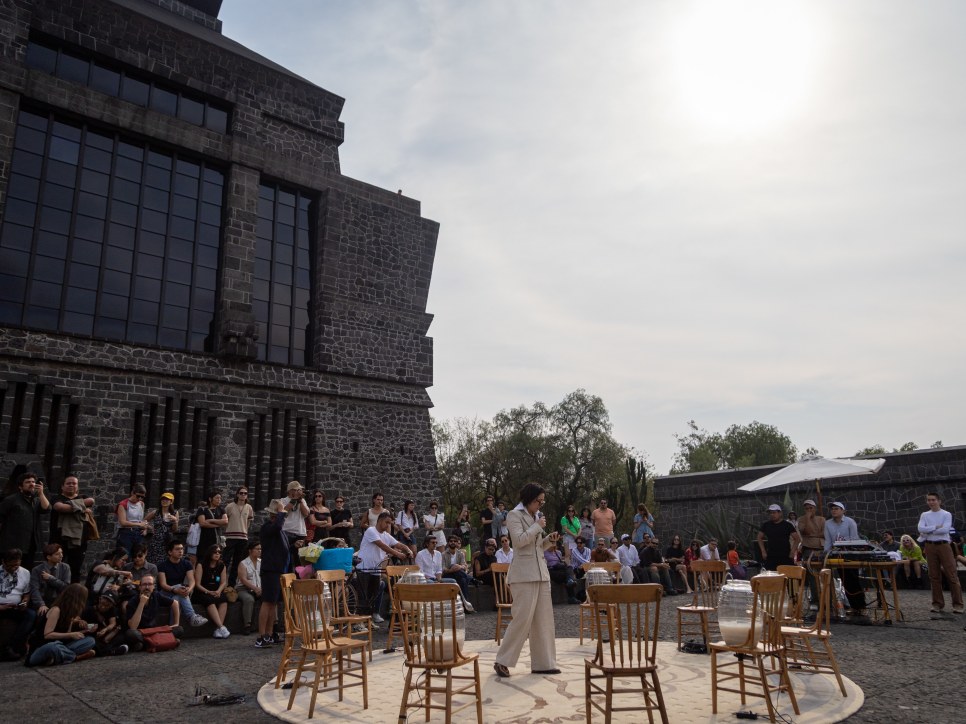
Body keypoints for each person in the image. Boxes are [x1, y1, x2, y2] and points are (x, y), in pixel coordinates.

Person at [493, 482, 560, 678]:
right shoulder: (514, 515)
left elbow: (536, 547)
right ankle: (502, 661)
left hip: (540, 573)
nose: (541, 504)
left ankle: (544, 663)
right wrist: (537, 527)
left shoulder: (535, 517)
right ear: (529, 499)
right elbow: (519, 541)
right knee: (522, 618)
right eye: (538, 501)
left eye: (542, 501)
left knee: (543, 619)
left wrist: (549, 540)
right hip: (523, 575)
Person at [359, 510, 413, 622]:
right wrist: (397, 553)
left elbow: (398, 544)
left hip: (375, 569)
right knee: (363, 597)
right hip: (364, 567)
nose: (388, 525)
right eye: (387, 522)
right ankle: (359, 621)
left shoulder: (386, 535)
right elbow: (382, 546)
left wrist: (408, 550)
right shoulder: (371, 530)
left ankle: (368, 619)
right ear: (379, 520)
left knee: (373, 596)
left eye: (390, 523)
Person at [25, 583, 96, 666]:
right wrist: (71, 635)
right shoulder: (56, 610)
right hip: (43, 647)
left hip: (61, 645)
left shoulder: (70, 613)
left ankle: (58, 658)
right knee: (53, 646)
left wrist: (85, 631)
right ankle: (75, 657)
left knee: (90, 640)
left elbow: (67, 635)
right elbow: (48, 635)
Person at [917, 492, 964, 614]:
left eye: (933, 500)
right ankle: (937, 603)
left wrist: (928, 530)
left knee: (952, 575)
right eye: (929, 500)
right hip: (929, 545)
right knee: (934, 576)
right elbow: (920, 529)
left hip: (944, 545)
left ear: (939, 501)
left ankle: (958, 604)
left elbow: (945, 529)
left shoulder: (946, 514)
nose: (931, 502)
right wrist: (935, 527)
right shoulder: (924, 514)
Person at [255, 500, 288, 648]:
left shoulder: (278, 529)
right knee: (267, 602)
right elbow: (277, 527)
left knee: (273, 603)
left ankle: (269, 634)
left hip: (279, 569)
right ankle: (261, 636)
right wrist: (281, 512)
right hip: (270, 570)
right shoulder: (267, 528)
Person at [48, 475, 94, 582]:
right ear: (62, 487)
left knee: (75, 569)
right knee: (55, 569)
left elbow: (91, 501)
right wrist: (81, 507)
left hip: (79, 541)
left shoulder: (83, 497)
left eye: (74, 483)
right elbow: (59, 507)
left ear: (77, 486)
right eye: (68, 483)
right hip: (58, 541)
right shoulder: (56, 498)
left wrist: (70, 506)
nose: (71, 485)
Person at [0, 472, 51, 566]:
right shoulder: (11, 500)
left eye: (33, 482)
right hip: (12, 544)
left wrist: (41, 494)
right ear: (20, 486)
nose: (32, 484)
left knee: (26, 571)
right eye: (28, 482)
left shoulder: (36, 500)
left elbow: (47, 509)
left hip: (30, 545)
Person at [823, 502, 865, 615]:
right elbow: (828, 541)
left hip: (850, 554)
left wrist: (848, 550)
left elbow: (854, 539)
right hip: (836, 555)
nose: (834, 511)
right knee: (844, 580)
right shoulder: (827, 523)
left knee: (854, 579)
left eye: (836, 509)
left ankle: (861, 606)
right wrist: (825, 554)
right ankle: (853, 606)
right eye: (832, 509)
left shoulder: (850, 522)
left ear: (843, 511)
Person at [123, 575, 182, 651]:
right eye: (144, 584)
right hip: (141, 633)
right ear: (140, 587)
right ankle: (165, 641)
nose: (147, 587)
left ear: (153, 586)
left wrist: (176, 623)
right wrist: (141, 603)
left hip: (154, 631)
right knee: (130, 634)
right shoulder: (132, 602)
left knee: (179, 629)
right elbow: (133, 627)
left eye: (150, 584)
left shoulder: (156, 595)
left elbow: (175, 603)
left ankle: (147, 644)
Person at [156, 540, 207, 628]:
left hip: (179, 594)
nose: (180, 551)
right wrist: (175, 589)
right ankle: (192, 616)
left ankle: (173, 629)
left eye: (182, 549)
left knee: (177, 598)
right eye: (177, 549)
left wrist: (188, 590)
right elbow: (163, 585)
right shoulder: (162, 565)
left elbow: (192, 581)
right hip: (165, 593)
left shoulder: (186, 564)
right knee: (179, 587)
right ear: (170, 552)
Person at [0, 548, 35, 661]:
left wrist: (24, 602)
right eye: (10, 566)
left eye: (16, 565)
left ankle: (11, 646)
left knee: (31, 615)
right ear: (3, 562)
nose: (14, 568)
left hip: (15, 608)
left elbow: (26, 593)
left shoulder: (25, 573)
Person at [193, 544, 230, 638]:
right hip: (202, 591)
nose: (217, 554)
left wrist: (218, 591)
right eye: (215, 552)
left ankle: (218, 630)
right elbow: (197, 584)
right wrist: (207, 592)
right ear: (210, 553)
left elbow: (223, 582)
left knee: (224, 600)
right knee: (210, 601)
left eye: (219, 552)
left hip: (216, 590)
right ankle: (221, 627)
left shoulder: (221, 565)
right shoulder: (201, 564)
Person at [798, 498, 826, 606]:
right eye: (807, 508)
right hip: (808, 549)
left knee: (825, 574)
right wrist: (808, 518)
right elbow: (807, 531)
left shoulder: (822, 519)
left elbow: (824, 534)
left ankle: (828, 599)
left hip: (821, 549)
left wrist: (813, 535)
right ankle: (816, 600)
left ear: (815, 509)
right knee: (812, 576)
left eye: (811, 508)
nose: (809, 510)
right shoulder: (801, 519)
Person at [83, 590, 128, 656]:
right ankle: (112, 651)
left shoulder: (112, 610)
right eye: (102, 603)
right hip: (91, 634)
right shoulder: (90, 609)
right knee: (92, 641)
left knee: (121, 636)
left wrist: (106, 629)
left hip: (105, 634)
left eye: (107, 605)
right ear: (100, 599)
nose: (103, 607)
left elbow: (112, 623)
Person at [29, 543, 71, 614]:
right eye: (57, 554)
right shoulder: (37, 570)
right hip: (43, 599)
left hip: (58, 601)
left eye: (61, 553)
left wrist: (51, 578)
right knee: (41, 613)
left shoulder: (65, 567)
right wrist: (41, 604)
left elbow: (66, 587)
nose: (61, 556)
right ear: (48, 557)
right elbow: (34, 589)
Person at [224, 487, 253, 585]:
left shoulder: (249, 508)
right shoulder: (229, 507)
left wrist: (244, 531)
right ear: (237, 494)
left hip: (243, 538)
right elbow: (224, 521)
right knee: (225, 561)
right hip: (230, 537)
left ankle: (231, 585)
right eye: (241, 493)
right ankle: (221, 583)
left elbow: (248, 522)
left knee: (237, 562)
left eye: (245, 493)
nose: (243, 495)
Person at [758, 504, 801, 570]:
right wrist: (763, 551)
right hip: (771, 556)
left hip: (785, 556)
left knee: (787, 576)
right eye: (770, 513)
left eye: (774, 513)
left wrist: (792, 552)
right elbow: (759, 537)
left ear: (780, 513)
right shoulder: (766, 525)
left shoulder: (787, 525)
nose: (772, 515)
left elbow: (797, 539)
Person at [441, 533, 475, 612]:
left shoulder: (461, 553)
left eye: (455, 541)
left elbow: (464, 566)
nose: (453, 542)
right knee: (456, 568)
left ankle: (466, 606)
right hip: (448, 574)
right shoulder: (443, 554)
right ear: (448, 543)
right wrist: (451, 569)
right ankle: (471, 579)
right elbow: (443, 568)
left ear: (457, 543)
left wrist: (459, 567)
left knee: (463, 580)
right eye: (451, 541)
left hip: (459, 575)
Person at [195, 490, 228, 567]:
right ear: (210, 499)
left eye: (220, 498)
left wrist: (210, 520)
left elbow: (225, 521)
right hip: (205, 540)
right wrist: (218, 524)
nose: (219, 500)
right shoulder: (202, 510)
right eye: (217, 498)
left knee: (216, 561)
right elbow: (202, 523)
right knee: (203, 561)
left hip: (217, 540)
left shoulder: (221, 510)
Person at [115, 485, 151, 557]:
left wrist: (145, 528)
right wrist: (139, 525)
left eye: (142, 497)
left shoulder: (141, 504)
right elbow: (123, 522)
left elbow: (141, 520)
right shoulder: (123, 504)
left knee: (138, 556)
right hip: (126, 533)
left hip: (138, 533)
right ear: (132, 493)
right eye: (138, 496)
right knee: (125, 556)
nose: (140, 498)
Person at [236, 540, 262, 635]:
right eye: (257, 549)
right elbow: (243, 579)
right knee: (248, 599)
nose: (260, 551)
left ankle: (275, 623)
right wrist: (255, 588)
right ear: (250, 550)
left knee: (269, 597)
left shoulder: (261, 562)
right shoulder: (243, 563)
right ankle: (247, 625)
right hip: (244, 588)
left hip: (259, 588)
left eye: (260, 549)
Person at [147, 492, 179, 566]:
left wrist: (175, 521)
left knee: (165, 562)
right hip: (156, 541)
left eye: (167, 500)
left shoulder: (174, 513)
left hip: (167, 541)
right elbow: (145, 520)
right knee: (153, 561)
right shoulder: (156, 512)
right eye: (163, 499)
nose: (164, 501)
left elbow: (174, 530)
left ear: (171, 501)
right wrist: (148, 527)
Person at [544, 538, 580, 603]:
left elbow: (566, 556)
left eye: (554, 543)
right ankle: (571, 597)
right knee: (567, 576)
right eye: (551, 543)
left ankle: (570, 582)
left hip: (560, 569)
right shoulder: (544, 552)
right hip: (551, 570)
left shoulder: (558, 552)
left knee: (569, 568)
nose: (553, 544)